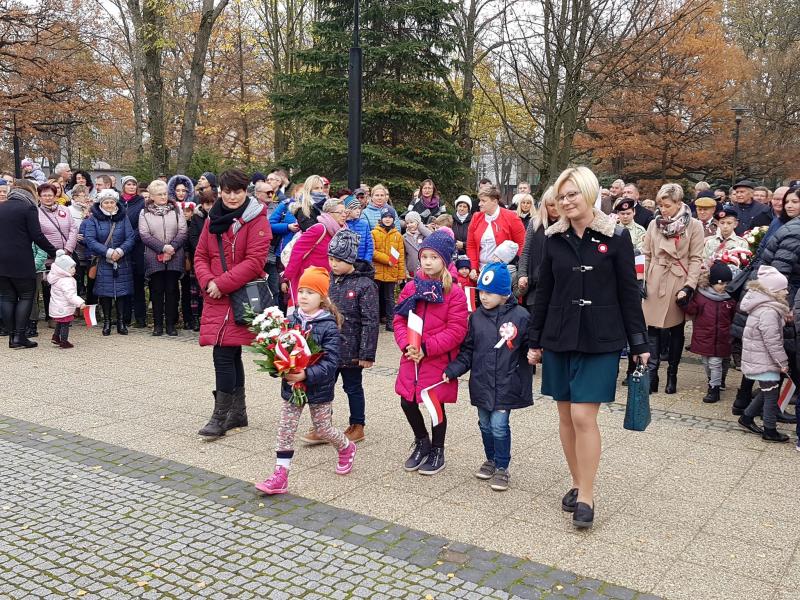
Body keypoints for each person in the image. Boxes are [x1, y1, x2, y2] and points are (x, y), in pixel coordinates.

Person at [526, 166, 649, 529]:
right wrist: (534, 340)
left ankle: (587, 496)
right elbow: (543, 293)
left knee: (583, 415)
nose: (565, 202)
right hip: (560, 335)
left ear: (589, 193)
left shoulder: (618, 237)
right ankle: (577, 480)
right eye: (561, 197)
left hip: (601, 338)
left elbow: (629, 292)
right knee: (565, 415)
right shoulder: (552, 238)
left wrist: (639, 340)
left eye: (572, 194)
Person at [255, 267, 356, 495]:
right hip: (292, 388)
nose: (303, 296)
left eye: (310, 292)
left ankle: (346, 447)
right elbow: (279, 350)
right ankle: (280, 475)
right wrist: (277, 367)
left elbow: (331, 363)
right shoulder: (290, 320)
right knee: (285, 429)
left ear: (322, 297)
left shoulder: (329, 326)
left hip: (318, 388)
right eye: (301, 291)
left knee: (323, 428)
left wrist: (306, 375)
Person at [194, 168, 271, 439]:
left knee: (223, 355)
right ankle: (237, 413)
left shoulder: (257, 220)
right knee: (229, 352)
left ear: (245, 191)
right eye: (227, 191)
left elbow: (255, 262)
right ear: (220, 192)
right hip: (215, 295)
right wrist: (208, 283)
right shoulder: (213, 218)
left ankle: (221, 416)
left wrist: (221, 283)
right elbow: (201, 254)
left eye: (237, 191)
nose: (232, 197)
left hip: (238, 296)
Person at [444, 262, 533, 491]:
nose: (483, 297)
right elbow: (468, 351)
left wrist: (535, 352)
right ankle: (491, 459)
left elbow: (529, 346)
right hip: (481, 381)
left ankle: (502, 466)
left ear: (504, 293)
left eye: (489, 293)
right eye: (481, 292)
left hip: (507, 382)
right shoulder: (476, 318)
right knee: (484, 424)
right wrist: (453, 370)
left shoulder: (521, 316)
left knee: (499, 425)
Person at [393, 231, 469, 476]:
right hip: (411, 356)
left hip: (436, 359)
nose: (427, 262)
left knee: (434, 405)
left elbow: (457, 330)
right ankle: (421, 440)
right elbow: (399, 319)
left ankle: (438, 449)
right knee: (407, 401)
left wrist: (426, 348)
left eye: (433, 257)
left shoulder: (454, 293)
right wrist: (407, 346)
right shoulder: (412, 287)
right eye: (424, 256)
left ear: (444, 261)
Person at [641, 183, 704, 394]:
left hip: (678, 279)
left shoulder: (693, 225)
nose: (663, 209)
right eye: (660, 205)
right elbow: (647, 253)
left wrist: (689, 285)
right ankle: (652, 374)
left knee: (676, 328)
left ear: (678, 203)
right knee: (652, 328)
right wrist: (641, 280)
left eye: (667, 205)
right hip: (655, 278)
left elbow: (695, 258)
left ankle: (672, 374)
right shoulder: (654, 224)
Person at [324, 229, 379, 443]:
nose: (333, 264)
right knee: (324, 387)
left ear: (350, 259)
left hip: (352, 350)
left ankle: (357, 425)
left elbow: (370, 321)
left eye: (338, 259)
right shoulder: (328, 279)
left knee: (353, 387)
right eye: (330, 258)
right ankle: (322, 424)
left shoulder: (364, 285)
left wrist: (366, 353)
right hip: (328, 348)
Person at [738, 266, 791, 443]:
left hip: (760, 356)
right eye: (783, 288)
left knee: (767, 390)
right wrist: (782, 361)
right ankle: (770, 430)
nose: (787, 291)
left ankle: (746, 417)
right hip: (763, 358)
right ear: (773, 291)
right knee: (771, 394)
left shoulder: (765, 307)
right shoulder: (768, 311)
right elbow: (772, 341)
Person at [0, 188, 57, 348]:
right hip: (20, 259)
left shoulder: (1, 206)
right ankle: (20, 336)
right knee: (26, 296)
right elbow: (37, 235)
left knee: (6, 297)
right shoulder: (28, 208)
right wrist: (54, 251)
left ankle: (12, 337)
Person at [83, 189, 136, 336]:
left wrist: (120, 251)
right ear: (101, 203)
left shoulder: (123, 217)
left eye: (112, 202)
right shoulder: (94, 219)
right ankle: (106, 322)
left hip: (121, 259)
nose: (109, 205)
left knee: (121, 292)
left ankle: (120, 322)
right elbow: (90, 239)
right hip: (103, 260)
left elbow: (131, 237)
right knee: (105, 293)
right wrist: (107, 252)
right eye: (106, 202)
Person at [139, 180, 188, 337]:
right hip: (154, 256)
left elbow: (182, 231)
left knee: (172, 290)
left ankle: (171, 325)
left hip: (175, 254)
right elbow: (144, 235)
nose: (163, 197)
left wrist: (171, 247)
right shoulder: (144, 212)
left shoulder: (176, 210)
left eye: (165, 193)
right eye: (159, 194)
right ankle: (158, 325)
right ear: (152, 196)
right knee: (157, 290)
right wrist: (162, 248)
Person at [684, 261, 736, 403]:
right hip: (705, 336)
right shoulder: (701, 296)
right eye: (720, 283)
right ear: (712, 282)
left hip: (723, 338)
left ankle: (714, 388)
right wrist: (683, 302)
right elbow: (693, 309)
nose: (724, 286)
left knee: (716, 363)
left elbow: (733, 317)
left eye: (726, 283)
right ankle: (715, 379)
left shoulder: (730, 299)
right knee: (707, 363)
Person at [282, 198, 345, 307]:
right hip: (309, 282)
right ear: (329, 214)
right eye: (341, 212)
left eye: (346, 212)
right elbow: (297, 252)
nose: (344, 215)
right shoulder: (319, 229)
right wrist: (286, 277)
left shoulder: (341, 232)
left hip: (329, 282)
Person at [37, 183, 78, 329]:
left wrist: (68, 249)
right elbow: (38, 234)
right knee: (51, 287)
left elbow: (73, 229)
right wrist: (52, 252)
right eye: (44, 195)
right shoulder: (36, 212)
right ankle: (52, 317)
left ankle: (66, 316)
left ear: (55, 196)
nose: (48, 197)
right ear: (39, 197)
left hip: (67, 255)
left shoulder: (65, 210)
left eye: (50, 195)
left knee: (68, 286)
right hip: (49, 255)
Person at [466, 186, 526, 282]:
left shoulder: (511, 217)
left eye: (483, 201)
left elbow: (522, 245)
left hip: (502, 271)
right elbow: (471, 245)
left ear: (494, 201)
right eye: (479, 201)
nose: (479, 204)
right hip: (480, 271)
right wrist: (473, 268)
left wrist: (519, 269)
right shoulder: (476, 217)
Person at [518, 186, 558, 311]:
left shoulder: (568, 225)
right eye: (551, 205)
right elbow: (526, 251)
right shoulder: (535, 223)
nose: (555, 208)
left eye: (557, 204)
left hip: (558, 283)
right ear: (545, 205)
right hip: (536, 282)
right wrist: (522, 274)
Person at [119, 176, 147, 328]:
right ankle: (125, 317)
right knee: (124, 283)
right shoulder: (118, 202)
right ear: (123, 186)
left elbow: (142, 225)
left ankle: (141, 317)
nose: (131, 186)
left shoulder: (141, 202)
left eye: (134, 184)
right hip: (121, 247)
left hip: (137, 246)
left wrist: (131, 239)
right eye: (128, 184)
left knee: (138, 282)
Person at [372, 208, 405, 330]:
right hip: (377, 271)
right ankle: (374, 321)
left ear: (393, 219)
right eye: (385, 216)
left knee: (390, 298)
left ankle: (390, 321)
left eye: (390, 217)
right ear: (381, 218)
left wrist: (401, 275)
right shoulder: (374, 233)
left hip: (392, 272)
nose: (387, 219)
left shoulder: (397, 236)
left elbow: (400, 256)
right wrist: (387, 259)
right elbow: (373, 252)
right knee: (375, 298)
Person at [46, 250, 86, 349]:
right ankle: (64, 341)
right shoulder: (66, 281)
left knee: (60, 322)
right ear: (63, 269)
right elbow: (70, 295)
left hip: (57, 305)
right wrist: (80, 303)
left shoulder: (55, 278)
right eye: (71, 268)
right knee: (65, 324)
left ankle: (55, 337)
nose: (74, 270)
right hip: (64, 306)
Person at [344, 196, 374, 263]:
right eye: (355, 209)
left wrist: (366, 261)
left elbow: (369, 245)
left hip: (363, 262)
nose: (358, 211)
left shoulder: (364, 224)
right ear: (348, 210)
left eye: (359, 208)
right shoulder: (344, 225)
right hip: (348, 263)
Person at [402, 211, 430, 279]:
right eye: (407, 223)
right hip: (411, 271)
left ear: (418, 223)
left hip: (426, 270)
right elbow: (403, 257)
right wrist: (405, 271)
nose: (409, 225)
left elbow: (433, 237)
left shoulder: (424, 234)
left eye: (412, 222)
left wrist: (421, 227)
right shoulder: (404, 237)